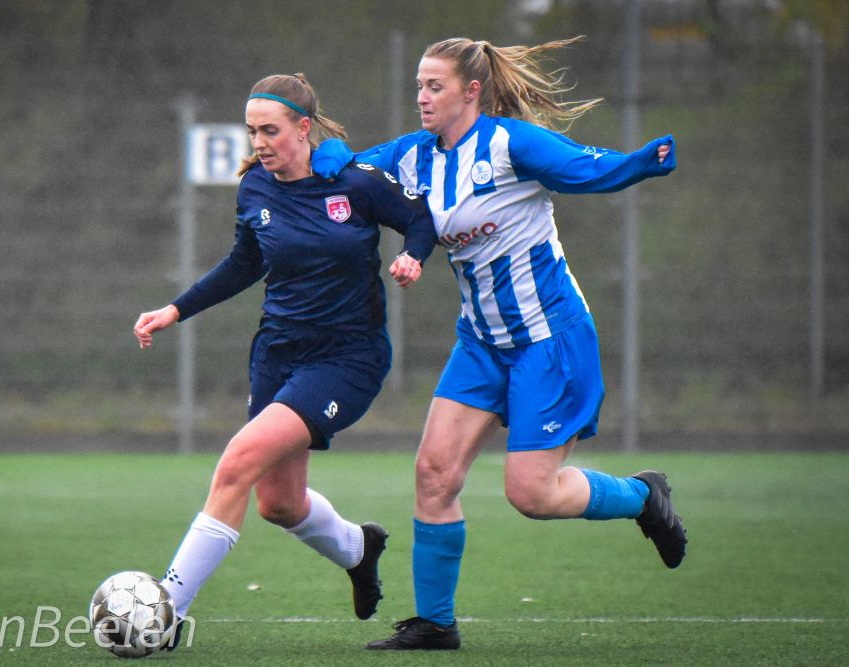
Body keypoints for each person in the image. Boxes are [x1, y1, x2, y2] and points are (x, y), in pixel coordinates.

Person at [312, 37, 687, 650]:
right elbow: (355, 173)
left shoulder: (511, 143)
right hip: (482, 342)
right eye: (419, 85)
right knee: (434, 473)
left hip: (548, 339)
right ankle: (436, 624)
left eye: (435, 86)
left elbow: (584, 168)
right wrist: (328, 159)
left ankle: (643, 497)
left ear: (471, 91)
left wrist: (642, 162)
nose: (422, 96)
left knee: (531, 494)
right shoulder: (413, 155)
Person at [132, 73, 437, 647]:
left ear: (303, 127)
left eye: (270, 130)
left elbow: (420, 220)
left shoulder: (356, 182)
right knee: (278, 504)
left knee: (237, 461)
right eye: (252, 131)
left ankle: (166, 610)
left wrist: (413, 257)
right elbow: (244, 263)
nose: (260, 143)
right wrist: (175, 310)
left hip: (346, 358)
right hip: (277, 353)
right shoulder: (254, 187)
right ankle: (358, 548)